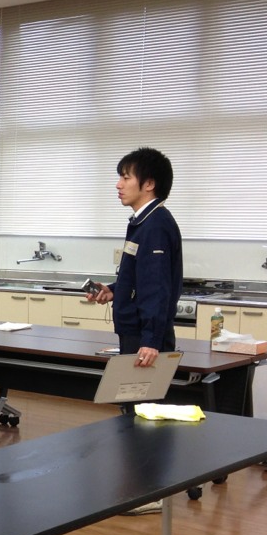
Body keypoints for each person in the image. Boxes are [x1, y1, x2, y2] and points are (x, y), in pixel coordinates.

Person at [87, 147, 183, 369]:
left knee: (139, 393)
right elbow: (141, 277)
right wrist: (113, 290)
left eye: (126, 178)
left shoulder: (155, 225)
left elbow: (156, 287)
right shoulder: (143, 222)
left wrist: (151, 340)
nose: (118, 185)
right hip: (136, 333)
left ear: (149, 184)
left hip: (144, 340)